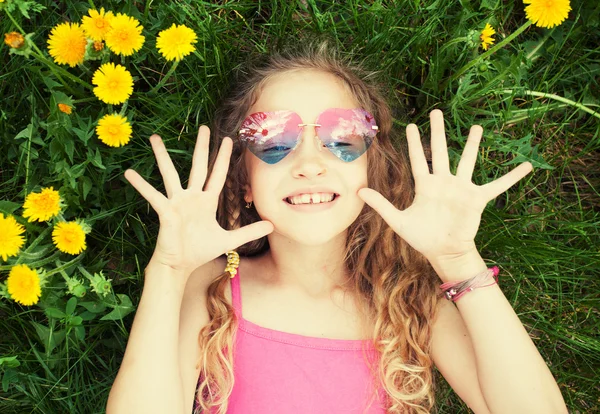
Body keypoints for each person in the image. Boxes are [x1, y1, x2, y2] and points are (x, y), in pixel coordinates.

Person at [106, 37, 567, 414]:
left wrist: (458, 261)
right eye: (273, 140)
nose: (310, 163)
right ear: (244, 181)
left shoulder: (410, 303)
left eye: (341, 139)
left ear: (372, 170)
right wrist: (167, 271)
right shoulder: (212, 289)